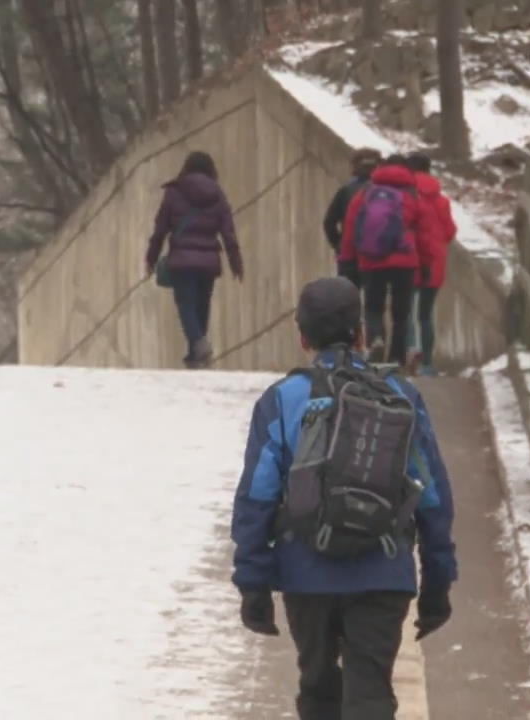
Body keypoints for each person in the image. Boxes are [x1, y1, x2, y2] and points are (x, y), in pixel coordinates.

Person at [230, 276, 457, 720]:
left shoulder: (281, 401)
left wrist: (253, 581)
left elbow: (257, 496)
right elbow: (431, 494)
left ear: (302, 337)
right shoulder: (399, 395)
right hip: (383, 569)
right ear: (361, 335)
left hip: (305, 572)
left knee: (318, 690)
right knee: (370, 693)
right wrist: (438, 579)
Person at [145, 151, 244, 368]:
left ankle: (198, 345)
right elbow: (228, 232)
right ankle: (196, 355)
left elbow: (160, 228)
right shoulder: (217, 194)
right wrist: (236, 261)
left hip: (182, 260)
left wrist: (151, 257)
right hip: (208, 261)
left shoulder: (174, 192)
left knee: (186, 305)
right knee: (202, 305)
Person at [338, 153, 424, 364]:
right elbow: (424, 233)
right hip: (405, 262)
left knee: (374, 307)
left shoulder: (366, 193)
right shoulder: (411, 195)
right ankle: (397, 357)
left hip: (372, 260)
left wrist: (347, 259)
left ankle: (376, 340)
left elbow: (351, 226)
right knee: (401, 313)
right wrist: (426, 262)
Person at [404, 152, 457, 375]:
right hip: (435, 263)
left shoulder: (407, 197)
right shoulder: (441, 200)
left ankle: (411, 351)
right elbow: (450, 231)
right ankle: (427, 363)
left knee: (407, 311)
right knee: (426, 314)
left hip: (411, 260)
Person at [322, 148, 382, 287]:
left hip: (350, 253)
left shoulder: (346, 190)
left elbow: (329, 222)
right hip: (377, 255)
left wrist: (339, 244)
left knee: (346, 298)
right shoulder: (387, 192)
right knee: (374, 304)